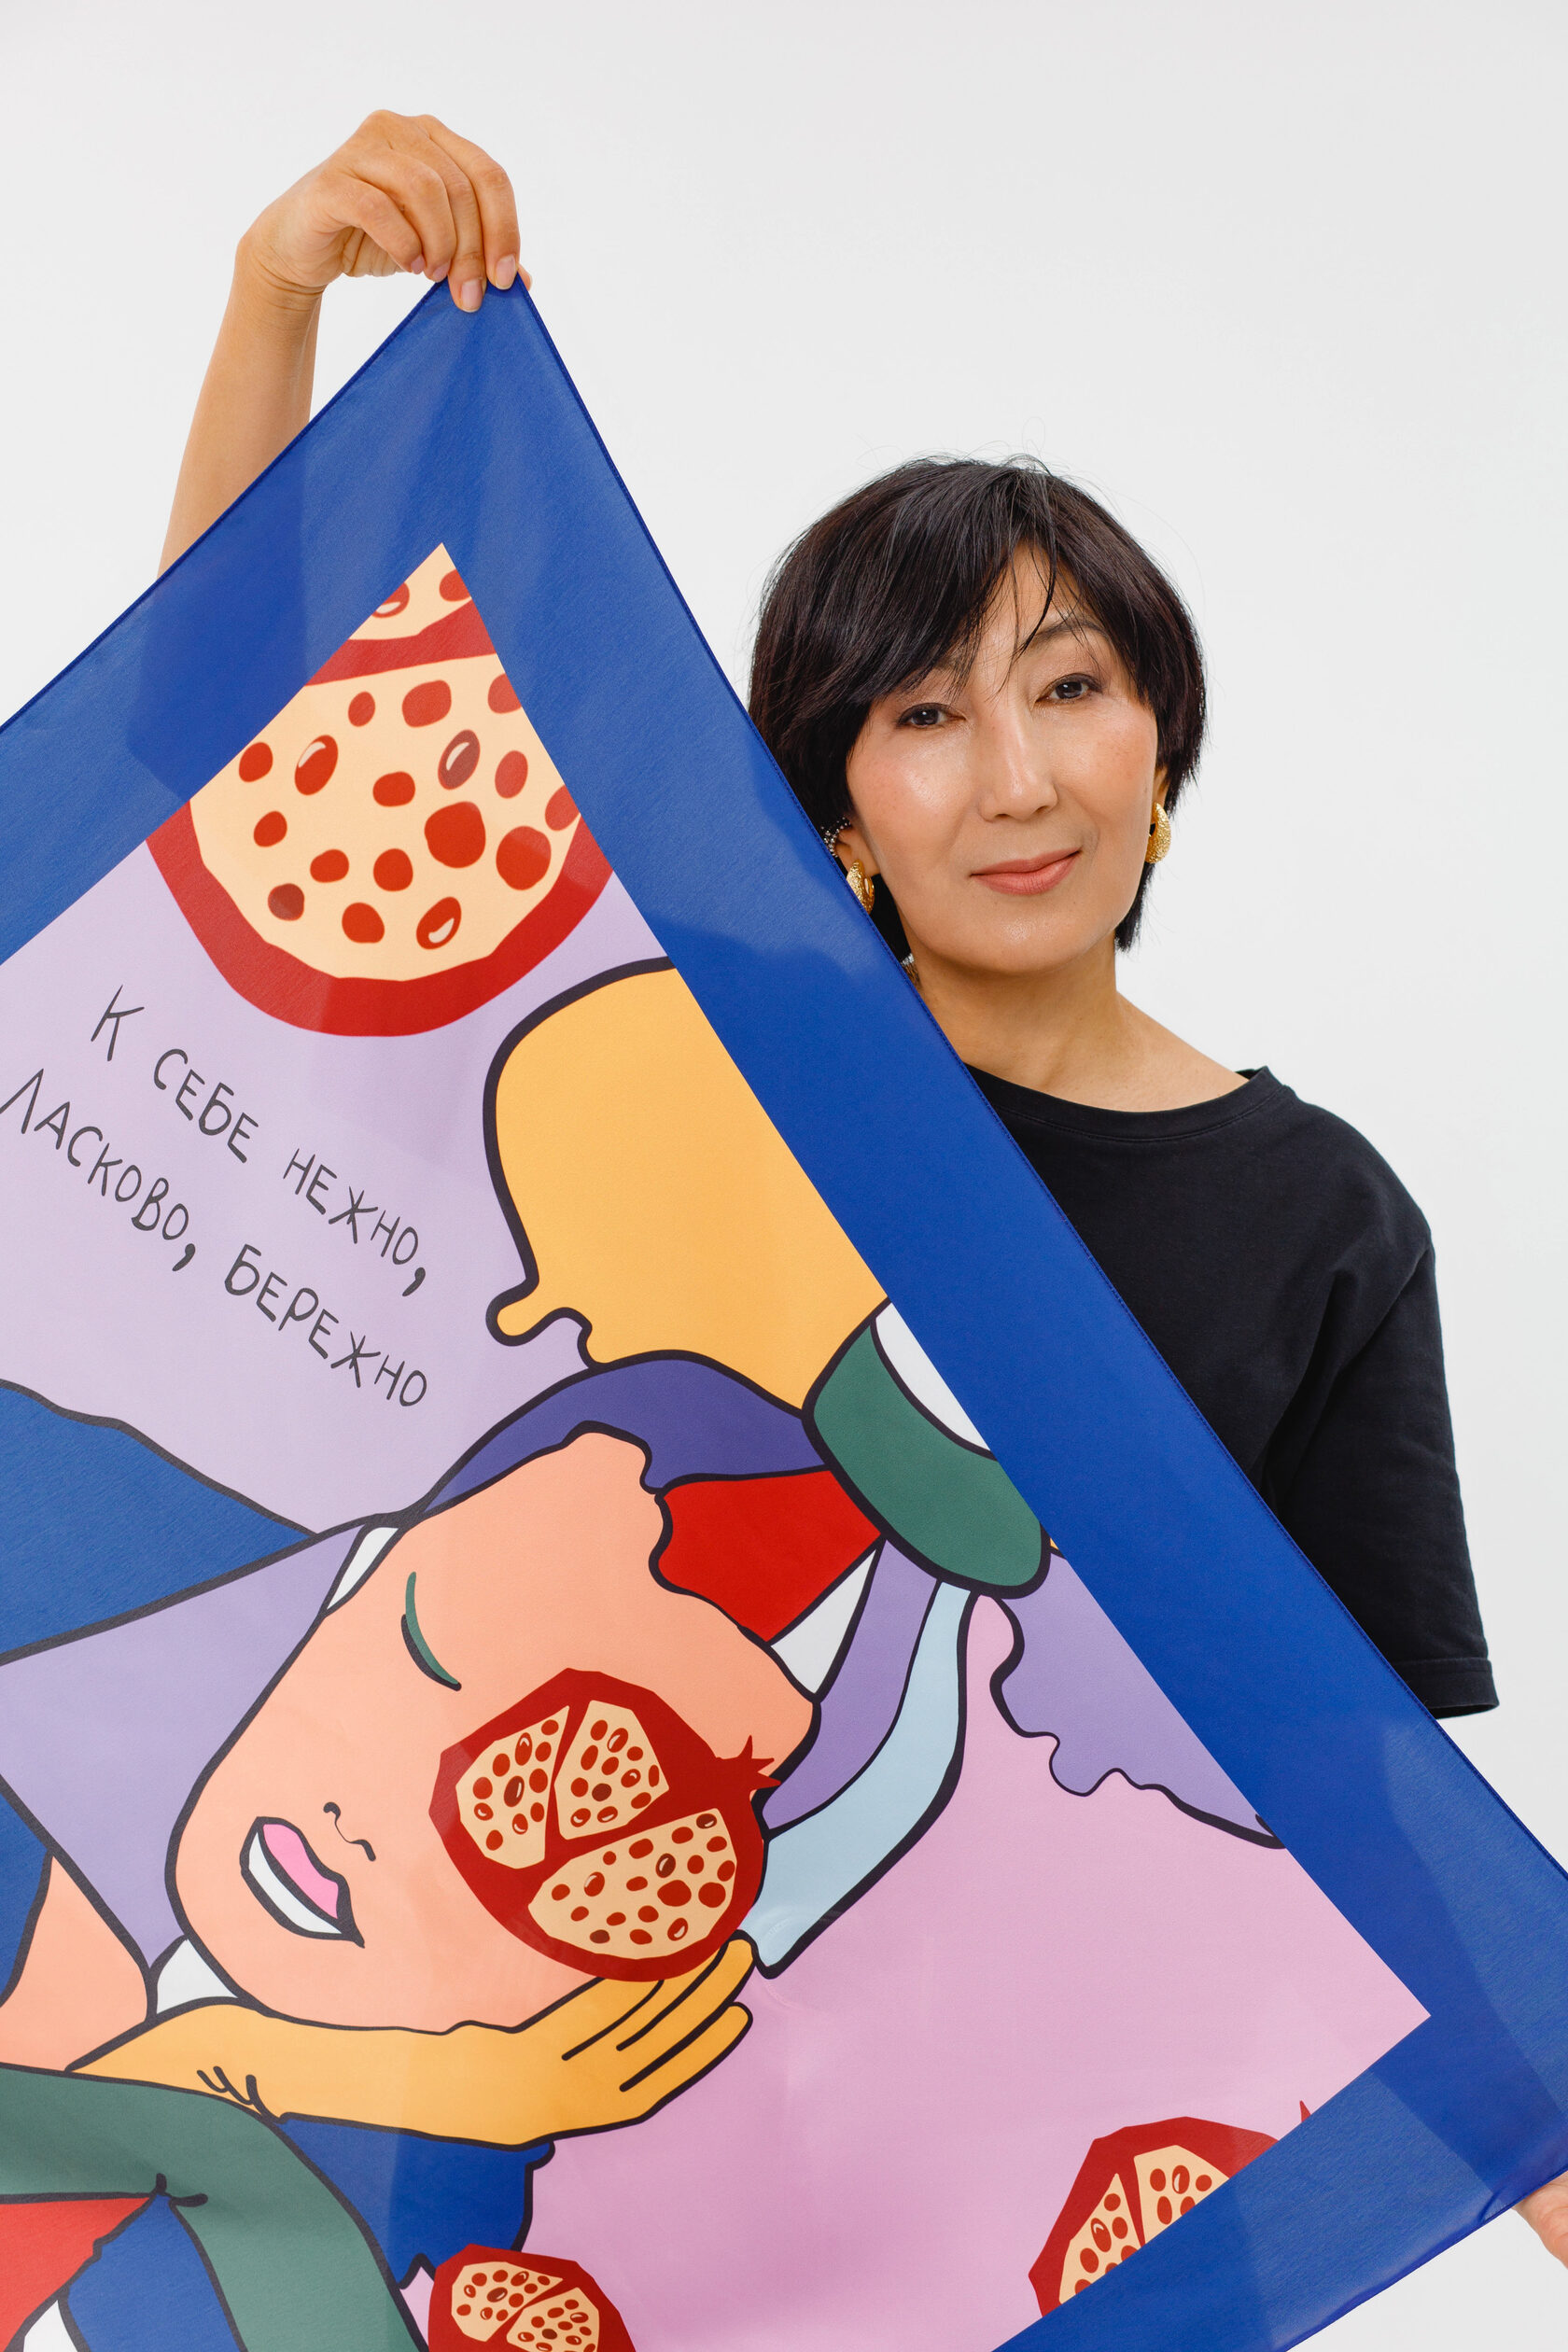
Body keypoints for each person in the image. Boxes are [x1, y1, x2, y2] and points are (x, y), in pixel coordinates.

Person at [146, 106, 1568, 2273]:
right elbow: (230, 773)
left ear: (1162, 756)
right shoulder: (707, 1058)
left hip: (996, 2193)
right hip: (532, 2128)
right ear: (833, 815)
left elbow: (1346, 1788)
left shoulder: (1320, 1216)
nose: (1018, 777)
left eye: (1072, 690)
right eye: (923, 714)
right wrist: (271, 300)